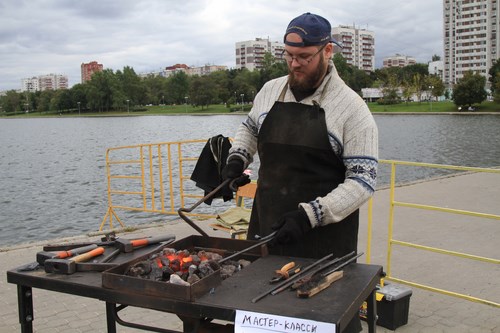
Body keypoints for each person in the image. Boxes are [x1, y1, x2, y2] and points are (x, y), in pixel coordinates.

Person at [223, 14, 378, 329]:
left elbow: (363, 182)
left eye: (304, 57)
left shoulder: (352, 109)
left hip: (324, 244)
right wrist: (238, 158)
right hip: (266, 231)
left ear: (327, 51)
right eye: (289, 56)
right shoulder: (270, 91)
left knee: (319, 321)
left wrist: (311, 214)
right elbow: (250, 127)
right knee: (261, 319)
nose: (295, 64)